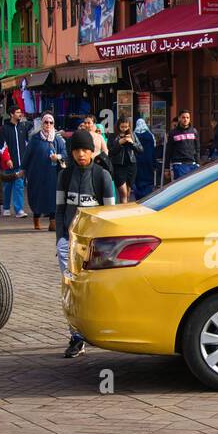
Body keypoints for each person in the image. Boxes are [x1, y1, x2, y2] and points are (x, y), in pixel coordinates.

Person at [56, 130, 116, 358]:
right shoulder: (64, 176)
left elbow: (110, 215)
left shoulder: (102, 176)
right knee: (72, 293)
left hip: (95, 248)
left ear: (93, 151)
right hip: (68, 245)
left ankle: (102, 332)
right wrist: (60, 239)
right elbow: (60, 209)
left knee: (94, 293)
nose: (81, 154)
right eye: (77, 150)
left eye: (85, 150)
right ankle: (77, 337)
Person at [23, 113, 66, 229]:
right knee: (37, 195)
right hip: (37, 173)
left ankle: (53, 221)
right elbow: (27, 155)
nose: (48, 124)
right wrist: (23, 169)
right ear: (42, 124)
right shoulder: (35, 139)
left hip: (53, 174)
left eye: (51, 122)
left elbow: (65, 154)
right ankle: (36, 218)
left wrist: (59, 157)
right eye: (46, 122)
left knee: (53, 196)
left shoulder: (57, 139)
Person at [0, 109, 30, 218]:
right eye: (17, 112)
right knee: (7, 186)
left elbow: (26, 144)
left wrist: (26, 160)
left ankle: (19, 209)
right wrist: (7, 159)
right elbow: (2, 146)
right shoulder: (4, 129)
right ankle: (6, 208)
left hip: (20, 164)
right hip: (9, 163)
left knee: (19, 186)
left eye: (20, 112)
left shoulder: (23, 128)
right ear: (11, 114)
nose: (20, 114)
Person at [108, 116, 142, 204]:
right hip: (119, 166)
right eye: (122, 127)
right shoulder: (113, 135)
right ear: (118, 126)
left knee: (128, 193)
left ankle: (125, 212)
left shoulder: (132, 135)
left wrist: (132, 143)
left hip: (131, 166)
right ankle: (122, 212)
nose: (124, 129)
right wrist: (119, 143)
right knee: (123, 193)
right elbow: (111, 152)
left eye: (126, 127)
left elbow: (140, 150)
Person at [168, 110, 200, 180]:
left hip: (192, 164)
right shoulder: (173, 133)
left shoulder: (194, 131)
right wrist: (166, 168)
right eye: (183, 117)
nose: (186, 119)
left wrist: (198, 163)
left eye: (187, 117)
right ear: (179, 118)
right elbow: (169, 151)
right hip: (179, 165)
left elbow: (197, 149)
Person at [133, 118, 157, 199]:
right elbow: (153, 149)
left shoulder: (134, 135)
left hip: (137, 161)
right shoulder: (150, 135)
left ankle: (139, 195)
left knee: (138, 178)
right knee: (148, 179)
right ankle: (147, 196)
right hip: (148, 160)